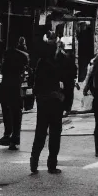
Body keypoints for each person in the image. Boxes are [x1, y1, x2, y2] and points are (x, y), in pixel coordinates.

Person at [30, 32, 66, 174]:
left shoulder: (41, 62)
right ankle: (51, 164)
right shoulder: (58, 61)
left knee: (41, 132)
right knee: (54, 133)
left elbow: (36, 84)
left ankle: (35, 162)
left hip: (44, 101)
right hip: (54, 100)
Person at [0, 37, 29, 150]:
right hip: (16, 86)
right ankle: (14, 137)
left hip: (7, 86)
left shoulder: (8, 57)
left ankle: (8, 134)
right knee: (16, 112)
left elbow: (3, 70)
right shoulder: (23, 56)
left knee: (7, 111)